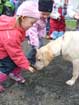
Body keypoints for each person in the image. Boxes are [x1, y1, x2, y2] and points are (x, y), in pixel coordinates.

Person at [0, 0, 40, 92]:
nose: (32, 25)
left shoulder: (16, 24)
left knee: (17, 62)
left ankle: (14, 74)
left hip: (9, 48)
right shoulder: (11, 35)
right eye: (32, 23)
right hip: (3, 52)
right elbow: (16, 54)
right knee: (7, 67)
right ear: (23, 17)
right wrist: (26, 65)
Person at [26, 0, 53, 66]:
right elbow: (32, 30)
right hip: (31, 34)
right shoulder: (35, 18)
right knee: (35, 47)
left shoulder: (43, 17)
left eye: (48, 14)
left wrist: (42, 35)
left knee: (41, 45)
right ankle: (28, 59)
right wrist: (35, 43)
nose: (45, 16)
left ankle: (34, 57)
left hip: (37, 34)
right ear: (38, 11)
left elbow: (42, 27)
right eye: (43, 14)